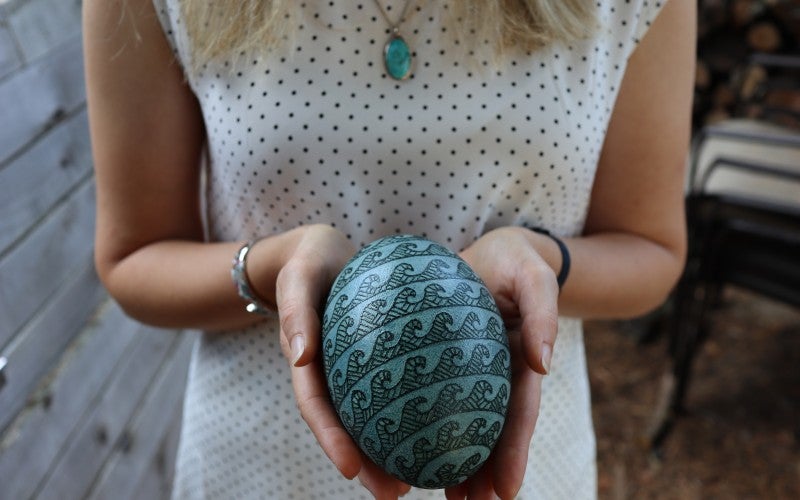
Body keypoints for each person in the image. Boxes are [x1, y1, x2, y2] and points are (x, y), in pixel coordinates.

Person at [83, 0, 695, 498]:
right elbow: (134, 256)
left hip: (521, 455)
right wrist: (271, 268)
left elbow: (651, 250)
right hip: (259, 464)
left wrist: (541, 262)